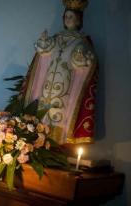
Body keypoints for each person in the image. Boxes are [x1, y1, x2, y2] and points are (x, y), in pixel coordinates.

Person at [21, 0, 98, 145]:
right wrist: (43, 41)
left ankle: (57, 144)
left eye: (72, 17)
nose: (68, 20)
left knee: (59, 112)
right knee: (43, 110)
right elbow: (44, 52)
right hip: (48, 82)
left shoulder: (82, 42)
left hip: (65, 85)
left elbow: (83, 63)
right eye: (66, 16)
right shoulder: (56, 38)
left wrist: (80, 57)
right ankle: (38, 139)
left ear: (78, 20)